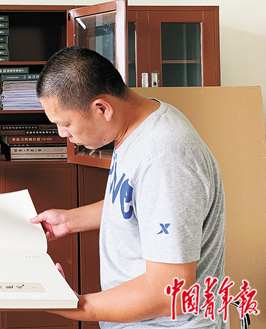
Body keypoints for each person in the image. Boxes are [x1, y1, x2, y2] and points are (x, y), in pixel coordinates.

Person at [30, 46, 226, 328]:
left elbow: (168, 293)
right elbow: (138, 203)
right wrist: (69, 221)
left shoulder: (163, 158)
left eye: (66, 122)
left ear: (102, 108)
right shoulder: (140, 122)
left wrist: (76, 305)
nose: (63, 133)